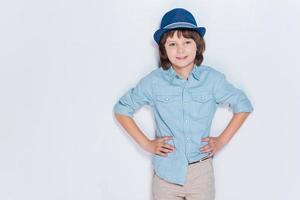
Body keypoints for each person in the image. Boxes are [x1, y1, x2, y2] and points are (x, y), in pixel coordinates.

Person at [113, 8, 253, 200]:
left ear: (198, 45)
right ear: (163, 49)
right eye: (172, 43)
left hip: (201, 172)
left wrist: (221, 140)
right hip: (166, 175)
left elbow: (243, 105)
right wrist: (146, 143)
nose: (180, 50)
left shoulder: (212, 80)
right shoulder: (154, 81)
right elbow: (122, 109)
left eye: (187, 42)